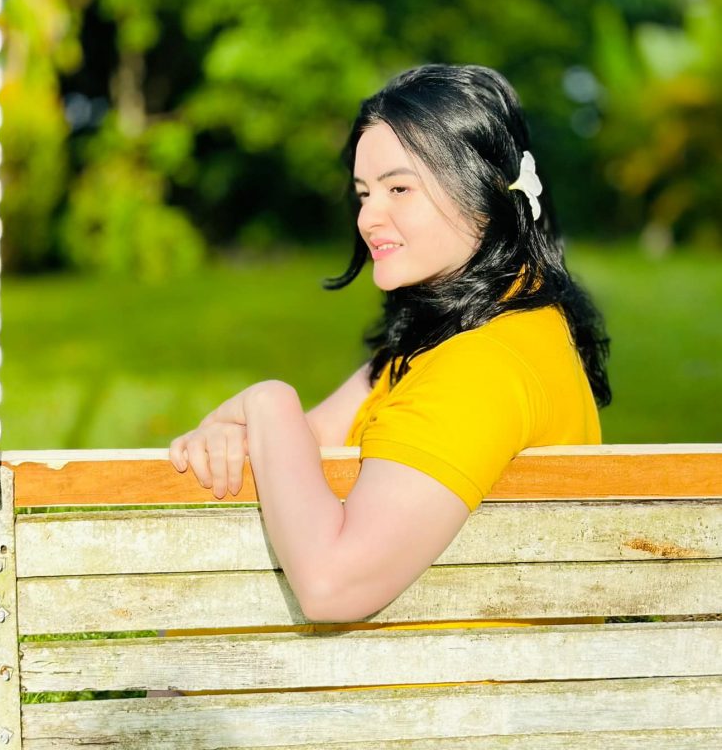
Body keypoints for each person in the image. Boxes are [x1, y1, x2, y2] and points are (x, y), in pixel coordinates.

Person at [169, 62, 610, 633]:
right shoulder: (486, 332)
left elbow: (331, 585)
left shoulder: (481, 368)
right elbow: (307, 439)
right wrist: (232, 433)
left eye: (399, 188)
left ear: (482, 192)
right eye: (363, 194)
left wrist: (267, 402)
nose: (368, 217)